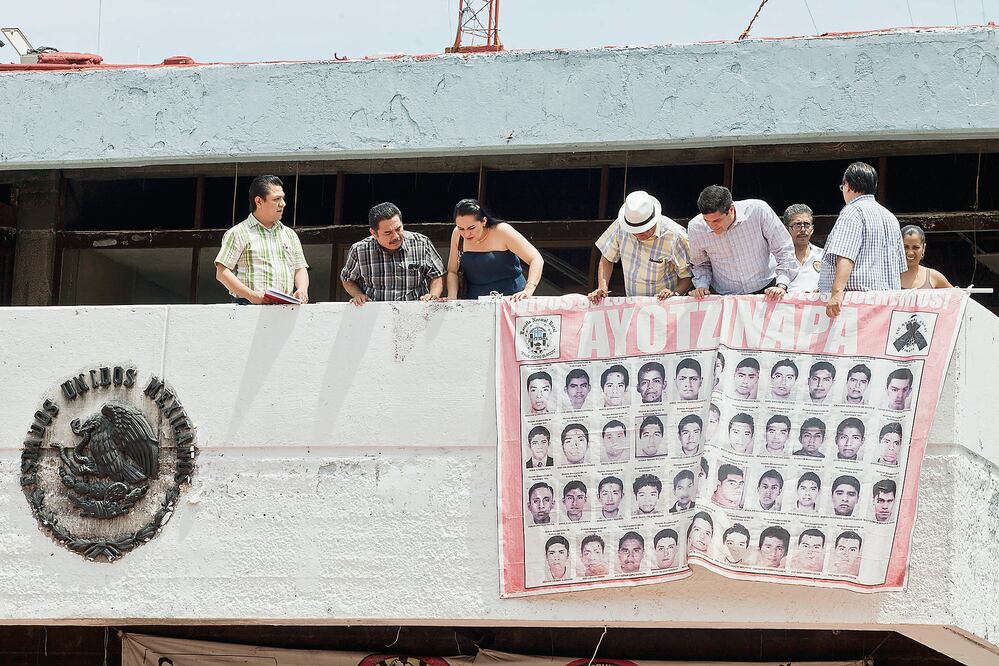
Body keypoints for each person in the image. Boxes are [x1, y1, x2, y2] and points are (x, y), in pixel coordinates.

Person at [820, 162, 907, 318]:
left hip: (856, 305)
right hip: (887, 305)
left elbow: (845, 255)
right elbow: (900, 268)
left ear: (848, 186)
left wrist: (836, 293)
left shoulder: (852, 212)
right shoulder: (890, 217)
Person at [688, 185, 797, 299]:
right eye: (707, 220)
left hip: (768, 289)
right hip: (725, 296)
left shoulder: (758, 210)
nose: (711, 225)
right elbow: (700, 264)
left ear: (731, 209)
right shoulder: (696, 227)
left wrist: (781, 284)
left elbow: (784, 249)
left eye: (717, 220)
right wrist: (702, 286)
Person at [215, 175, 310, 304]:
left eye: (283, 198)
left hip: (286, 308)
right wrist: (252, 296)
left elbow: (300, 268)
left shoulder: (290, 234)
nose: (283, 203)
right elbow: (222, 273)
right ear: (259, 201)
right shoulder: (238, 233)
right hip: (247, 307)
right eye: (276, 199)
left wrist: (302, 289)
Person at [588, 190, 693, 302]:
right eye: (634, 232)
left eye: (644, 230)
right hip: (631, 302)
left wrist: (674, 294)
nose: (638, 235)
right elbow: (607, 257)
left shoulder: (675, 235)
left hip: (663, 305)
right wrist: (602, 287)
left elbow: (688, 275)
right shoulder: (620, 225)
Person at [341, 202, 445, 305]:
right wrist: (358, 295)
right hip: (374, 310)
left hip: (415, 309)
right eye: (388, 233)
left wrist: (433, 295)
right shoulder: (359, 250)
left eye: (398, 229)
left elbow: (438, 274)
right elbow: (347, 278)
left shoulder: (421, 243)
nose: (396, 236)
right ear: (373, 233)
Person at [446, 198, 543, 300]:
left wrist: (529, 289)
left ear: (484, 221)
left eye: (471, 228)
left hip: (512, 297)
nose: (466, 234)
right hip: (474, 299)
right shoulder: (457, 234)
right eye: (461, 228)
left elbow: (536, 259)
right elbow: (452, 271)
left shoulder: (502, 230)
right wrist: (452, 297)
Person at [781, 203, 825, 292]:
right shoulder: (778, 258)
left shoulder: (823, 255)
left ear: (812, 229)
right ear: (786, 229)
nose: (803, 230)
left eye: (807, 224)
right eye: (797, 225)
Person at [900, 225, 953, 290]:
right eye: (905, 247)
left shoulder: (933, 276)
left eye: (915, 247)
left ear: (923, 248)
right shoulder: (891, 276)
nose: (910, 253)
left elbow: (957, 295)